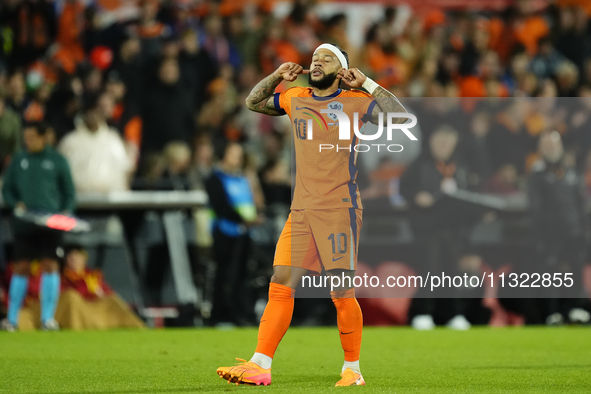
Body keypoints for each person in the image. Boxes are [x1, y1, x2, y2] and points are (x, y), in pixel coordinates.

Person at [216, 43, 407, 387]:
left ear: (343, 69)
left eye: (327, 58)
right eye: (315, 58)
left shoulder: (357, 101)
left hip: (339, 207)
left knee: (340, 291)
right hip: (302, 208)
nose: (316, 62)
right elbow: (253, 102)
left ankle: (353, 370)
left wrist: (367, 83)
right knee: (280, 282)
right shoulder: (295, 95)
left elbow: (402, 118)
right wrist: (276, 76)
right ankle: (261, 363)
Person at [1, 122, 76, 332]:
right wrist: (16, 204)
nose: (28, 141)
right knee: (21, 267)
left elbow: (69, 193)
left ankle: (47, 319)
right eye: (26, 137)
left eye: (32, 137)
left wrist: (65, 211)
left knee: (50, 265)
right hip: (25, 224)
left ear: (45, 137)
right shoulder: (19, 160)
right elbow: (7, 190)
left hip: (50, 224)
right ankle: (12, 319)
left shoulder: (58, 161)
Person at [527, 131, 590, 325]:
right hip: (550, 235)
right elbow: (535, 210)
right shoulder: (537, 176)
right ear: (540, 149)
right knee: (550, 273)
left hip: (574, 233)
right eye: (546, 145)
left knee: (574, 271)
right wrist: (539, 237)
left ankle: (574, 309)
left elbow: (583, 205)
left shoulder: (572, 173)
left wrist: (585, 231)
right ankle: (551, 312)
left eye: (554, 144)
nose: (551, 149)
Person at [205, 142, 257, 326]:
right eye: (233, 154)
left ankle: (239, 311)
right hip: (224, 231)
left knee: (242, 275)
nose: (238, 159)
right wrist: (242, 219)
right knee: (223, 275)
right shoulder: (215, 179)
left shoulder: (242, 179)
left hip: (243, 233)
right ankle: (220, 313)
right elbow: (221, 206)